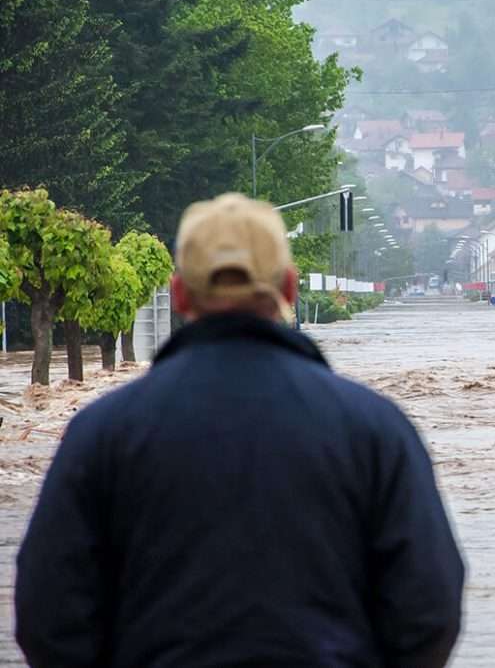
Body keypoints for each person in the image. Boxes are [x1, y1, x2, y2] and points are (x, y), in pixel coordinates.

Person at [15, 193, 465, 667]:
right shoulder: (375, 430)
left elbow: (48, 614)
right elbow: (428, 610)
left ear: (181, 293)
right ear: (289, 289)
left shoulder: (101, 433)